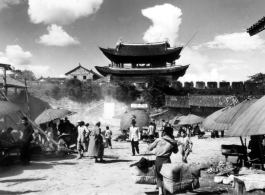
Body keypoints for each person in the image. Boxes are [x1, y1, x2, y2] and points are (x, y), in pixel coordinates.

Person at [147, 127, 179, 195]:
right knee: (166, 178)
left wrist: (149, 144)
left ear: (164, 132)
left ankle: (160, 192)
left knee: (159, 176)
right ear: (172, 133)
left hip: (158, 160)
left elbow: (149, 148)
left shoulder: (158, 140)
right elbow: (176, 151)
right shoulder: (173, 142)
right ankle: (165, 192)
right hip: (167, 161)